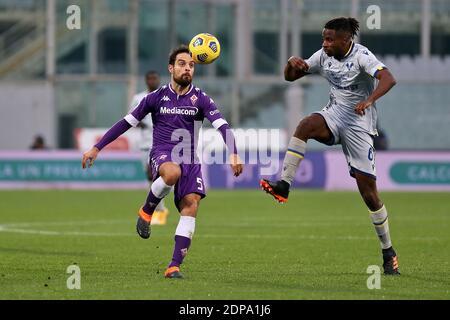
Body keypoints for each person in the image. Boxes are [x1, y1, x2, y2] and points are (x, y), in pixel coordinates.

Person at [82, 45, 243, 279]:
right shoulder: (155, 98)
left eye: (191, 65)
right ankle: (147, 210)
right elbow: (126, 123)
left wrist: (234, 152)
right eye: (181, 64)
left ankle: (173, 266)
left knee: (191, 207)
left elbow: (223, 126)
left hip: (190, 160)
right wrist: (97, 147)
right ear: (171, 68)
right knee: (171, 173)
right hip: (162, 152)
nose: (187, 68)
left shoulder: (201, 99)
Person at [260, 17, 400, 275]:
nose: (324, 44)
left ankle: (388, 250)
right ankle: (284, 184)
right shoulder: (323, 56)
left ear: (346, 40)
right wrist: (292, 64)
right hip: (334, 116)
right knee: (305, 125)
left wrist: (369, 100)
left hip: (359, 125)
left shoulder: (362, 56)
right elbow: (291, 77)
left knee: (369, 195)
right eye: (323, 38)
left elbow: (389, 79)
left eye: (329, 39)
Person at [129, 70, 169, 225]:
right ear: (146, 81)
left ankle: (157, 210)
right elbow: (132, 118)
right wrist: (143, 123)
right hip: (146, 144)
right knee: (151, 177)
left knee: (158, 176)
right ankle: (159, 209)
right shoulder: (139, 98)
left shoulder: (166, 96)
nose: (152, 80)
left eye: (155, 78)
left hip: (163, 144)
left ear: (159, 80)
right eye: (150, 78)